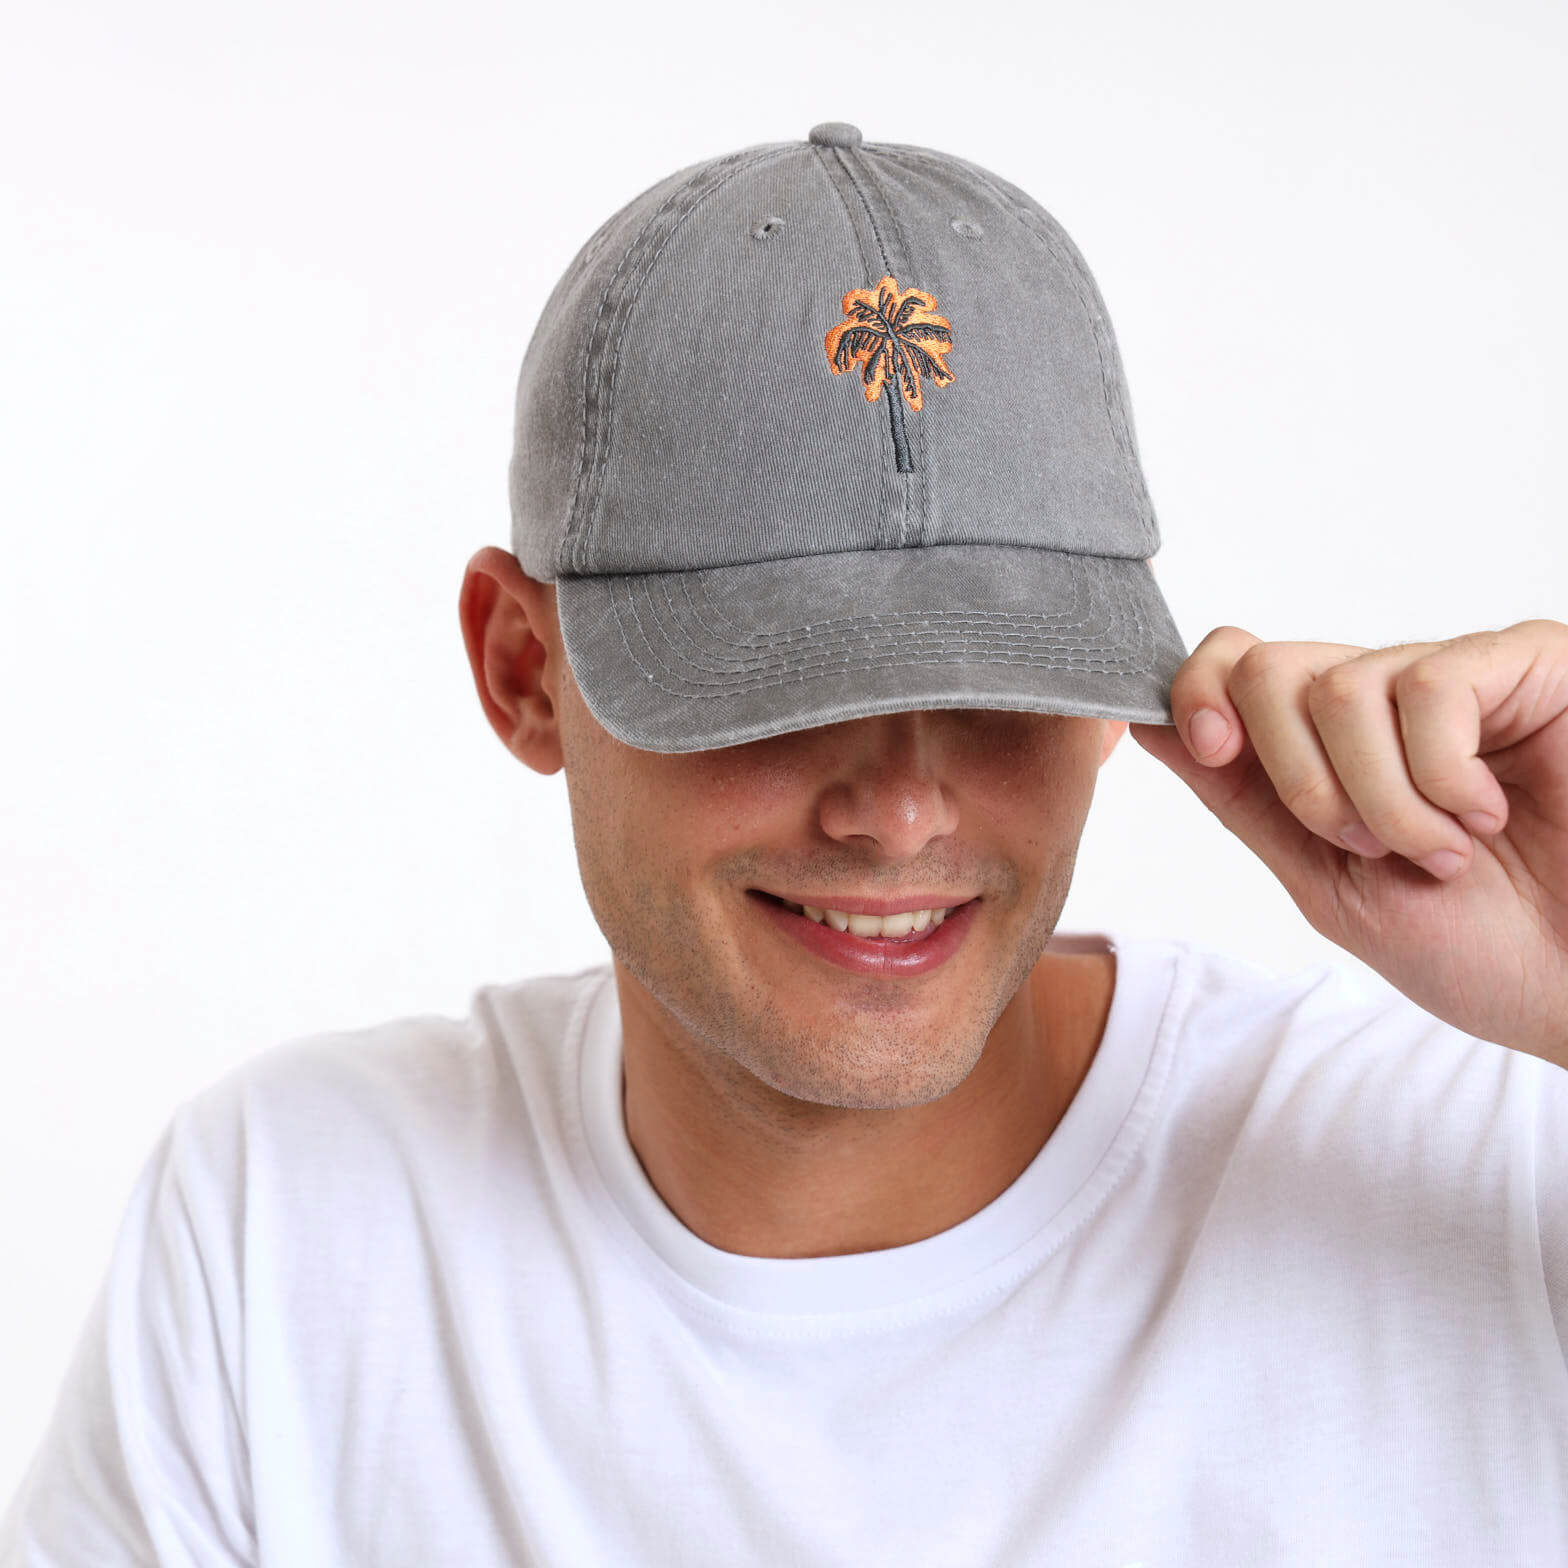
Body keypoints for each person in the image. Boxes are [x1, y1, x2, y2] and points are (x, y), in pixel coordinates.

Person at [4, 122, 1566, 1566]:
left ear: (1114, 689)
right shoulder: (291, 1235)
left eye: (996, 682)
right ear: (522, 668)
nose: (896, 810)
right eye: (774, 687)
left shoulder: (1488, 1171)